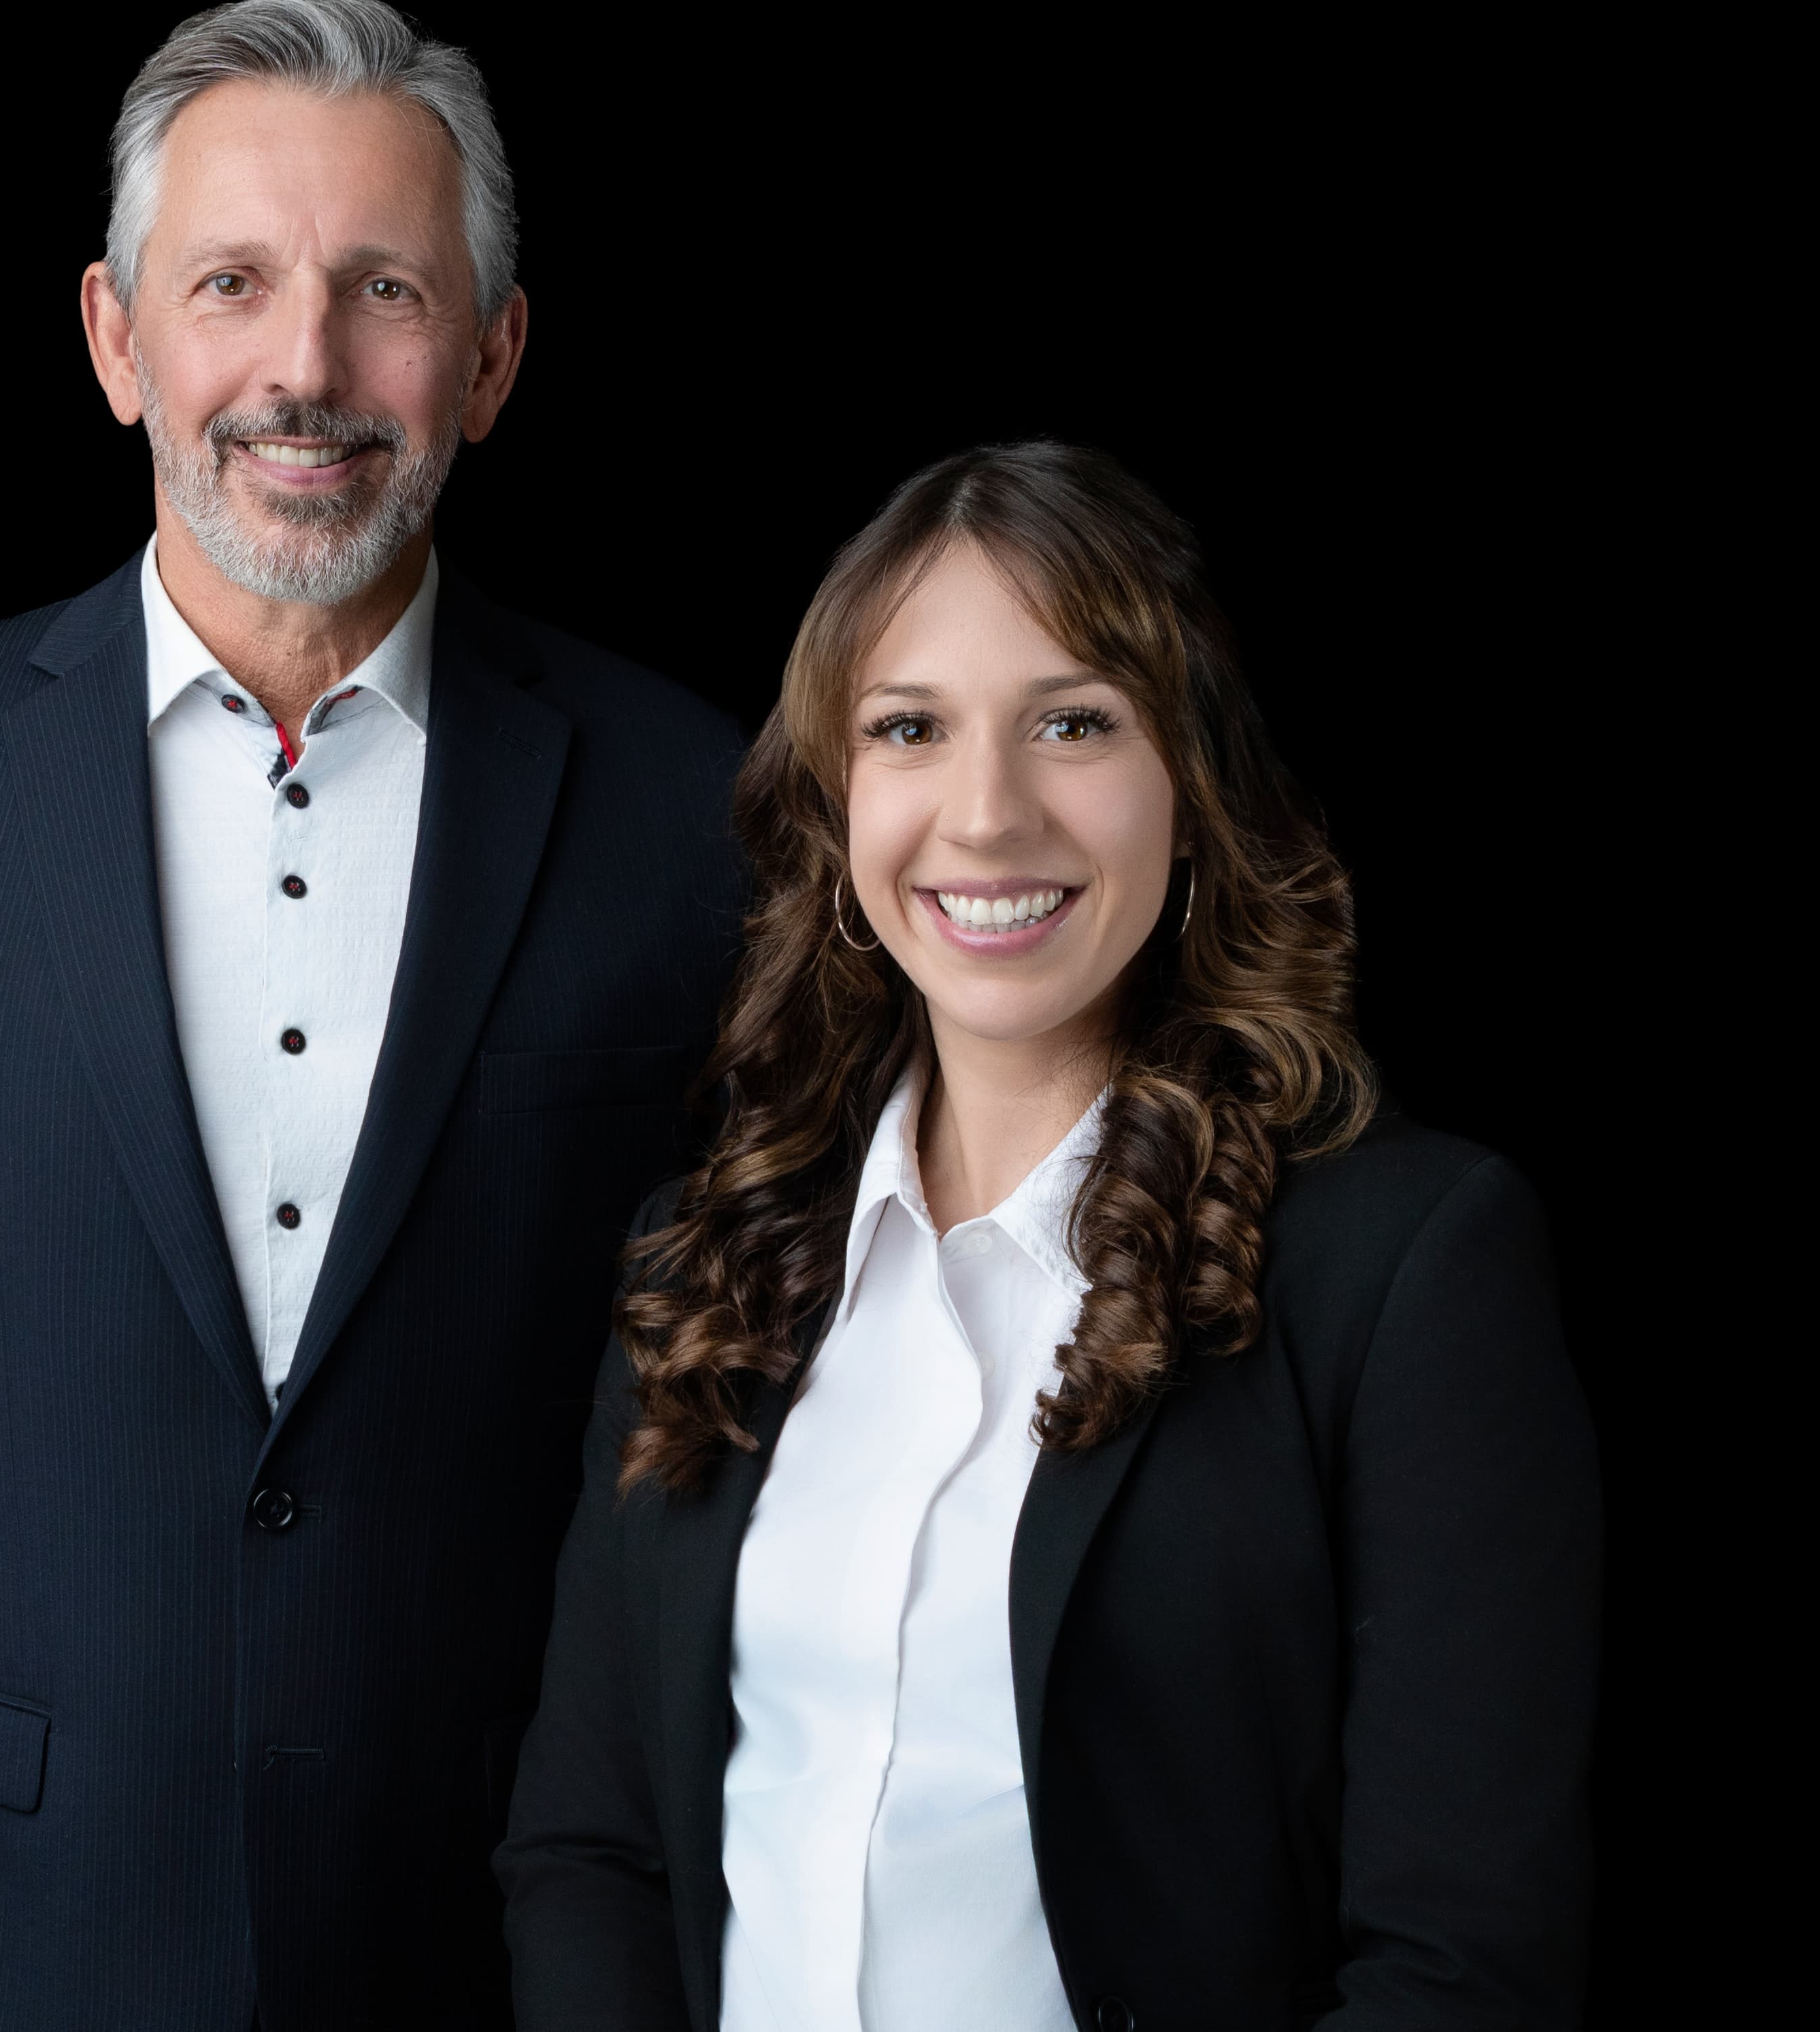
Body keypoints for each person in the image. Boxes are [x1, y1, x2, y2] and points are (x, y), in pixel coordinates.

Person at [0, 5, 744, 2026]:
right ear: (114, 338)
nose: (305, 370)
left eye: (385, 291)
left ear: (493, 358)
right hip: (5, 1950)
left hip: (505, 1952)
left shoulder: (696, 816)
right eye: (231, 283)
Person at [497, 442, 1600, 2031]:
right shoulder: (709, 1258)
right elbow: (591, 1848)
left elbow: (1458, 1963)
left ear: (1192, 783)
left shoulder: (1407, 1268)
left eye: (1073, 724)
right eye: (908, 731)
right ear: (835, 801)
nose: (987, 813)